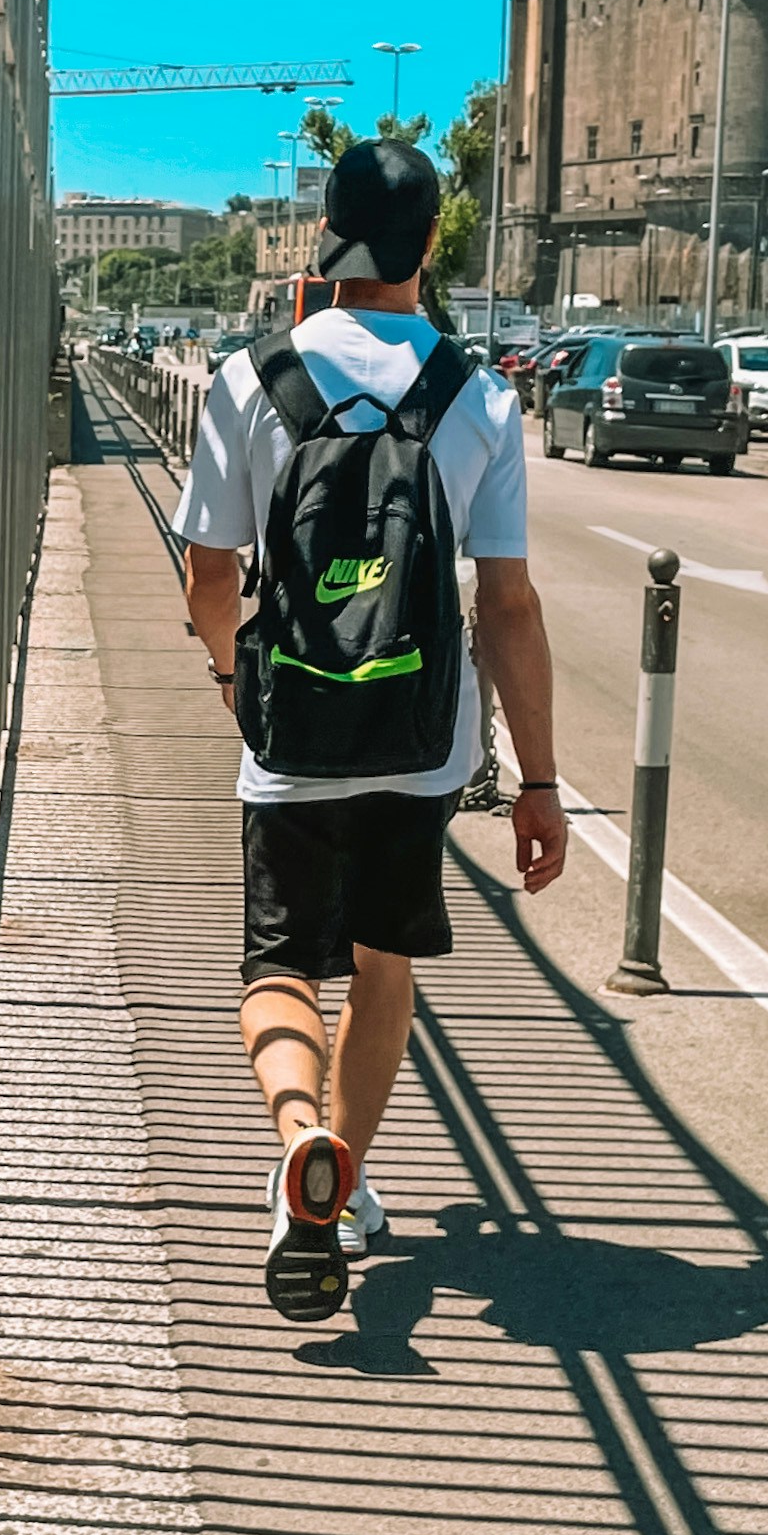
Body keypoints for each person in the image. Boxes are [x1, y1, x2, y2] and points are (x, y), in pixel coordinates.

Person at [173, 139, 569, 1318]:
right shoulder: (479, 393)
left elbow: (207, 571)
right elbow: (505, 604)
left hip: (289, 723)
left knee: (275, 962)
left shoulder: (255, 378)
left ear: (325, 235)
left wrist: (230, 681)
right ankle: (341, 1188)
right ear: (430, 244)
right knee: (381, 962)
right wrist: (537, 782)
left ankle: (295, 1130)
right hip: (417, 731)